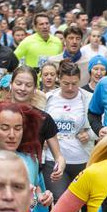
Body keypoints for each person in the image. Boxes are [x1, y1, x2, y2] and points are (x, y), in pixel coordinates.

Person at [0, 101, 54, 212]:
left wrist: (44, 197)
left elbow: (37, 188)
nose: (12, 135)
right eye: (5, 128)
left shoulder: (31, 161)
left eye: (17, 128)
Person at [42, 61, 93, 203]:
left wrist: (89, 135)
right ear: (58, 79)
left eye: (74, 83)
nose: (70, 88)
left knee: (83, 205)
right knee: (60, 202)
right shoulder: (48, 98)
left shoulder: (89, 98)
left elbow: (101, 124)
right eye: (65, 83)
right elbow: (39, 124)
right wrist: (42, 139)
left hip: (82, 160)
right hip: (54, 160)